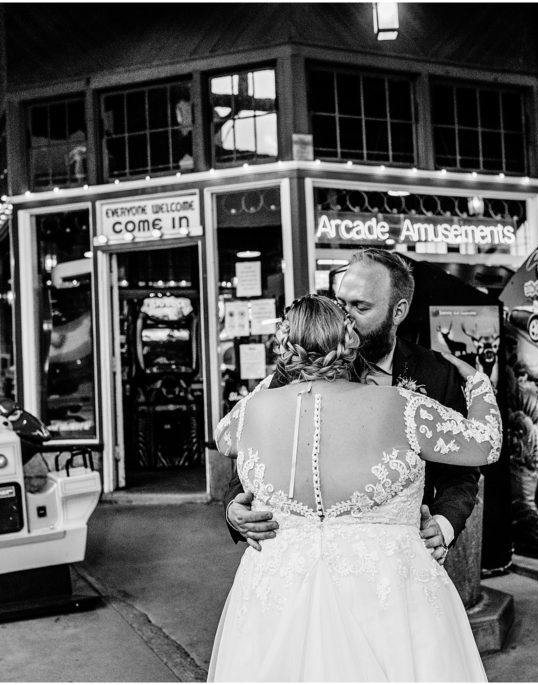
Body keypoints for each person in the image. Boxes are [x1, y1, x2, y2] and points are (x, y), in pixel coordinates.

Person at [209, 295, 501, 681]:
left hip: (275, 594)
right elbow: (487, 443)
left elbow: (223, 437)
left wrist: (282, 373)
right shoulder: (401, 407)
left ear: (284, 345)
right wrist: (476, 381)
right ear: (351, 341)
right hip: (388, 594)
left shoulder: (246, 415)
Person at [223, 248, 481, 563]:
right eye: (341, 302)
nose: (345, 315)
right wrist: (233, 507)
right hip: (306, 563)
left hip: (394, 561)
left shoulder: (436, 373)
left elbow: (460, 473)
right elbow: (255, 445)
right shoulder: (302, 363)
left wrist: (443, 525)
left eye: (360, 306)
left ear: (397, 311)